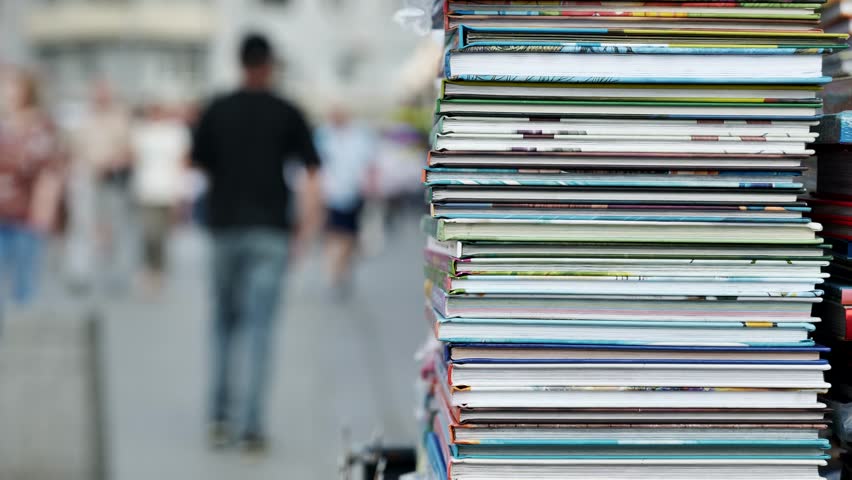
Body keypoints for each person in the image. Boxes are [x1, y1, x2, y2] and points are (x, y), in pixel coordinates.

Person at [192, 33, 322, 454]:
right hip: (270, 231)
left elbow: (197, 163)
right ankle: (251, 427)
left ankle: (218, 418)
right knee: (261, 329)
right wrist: (307, 227)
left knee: (223, 324)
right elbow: (312, 173)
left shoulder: (216, 108)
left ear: (239, 63)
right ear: (269, 65)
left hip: (224, 228)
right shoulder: (287, 110)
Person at [0, 69, 61, 318]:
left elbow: (49, 171)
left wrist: (44, 210)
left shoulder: (40, 126)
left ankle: (19, 340)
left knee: (23, 281)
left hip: (25, 214)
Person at [66, 80, 134, 293]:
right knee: (82, 226)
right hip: (86, 178)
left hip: (112, 180)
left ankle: (115, 275)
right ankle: (80, 274)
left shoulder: (120, 119)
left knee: (114, 228)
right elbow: (70, 150)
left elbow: (130, 151)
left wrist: (112, 162)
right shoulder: (82, 120)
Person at [314, 106, 376, 296]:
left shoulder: (359, 137)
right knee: (335, 234)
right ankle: (335, 272)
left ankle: (340, 268)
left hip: (353, 193)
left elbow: (369, 164)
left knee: (348, 236)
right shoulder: (323, 136)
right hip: (331, 194)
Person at [130, 103, 190, 295]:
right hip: (146, 189)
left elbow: (182, 162)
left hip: (168, 190)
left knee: (162, 234)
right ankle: (148, 268)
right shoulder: (142, 132)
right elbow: (134, 157)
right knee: (149, 232)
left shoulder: (176, 132)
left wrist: (181, 191)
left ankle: (159, 270)